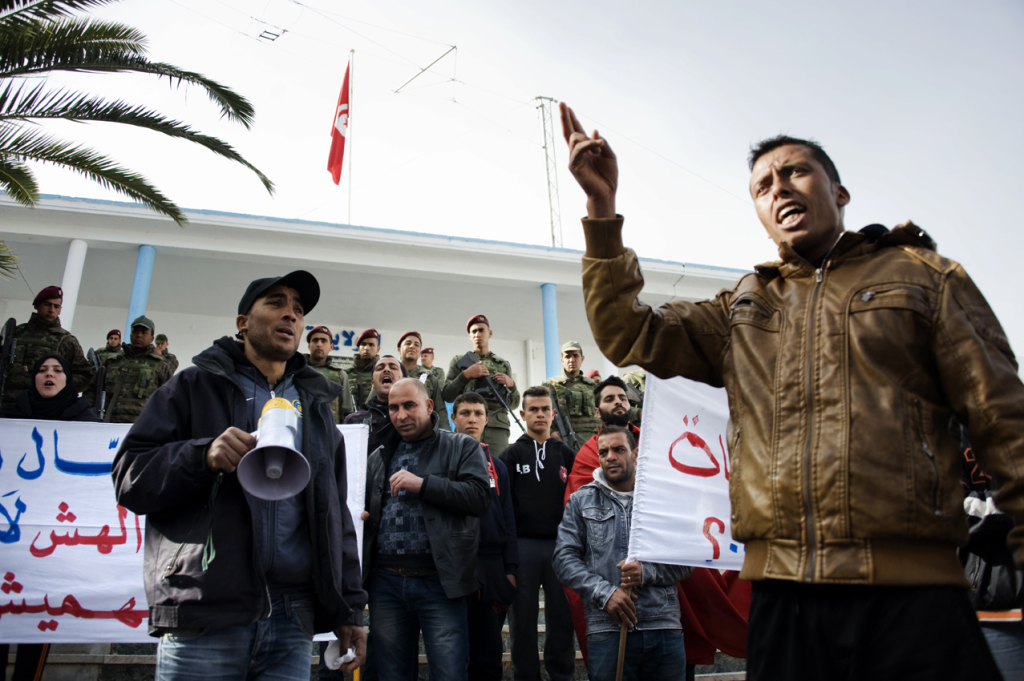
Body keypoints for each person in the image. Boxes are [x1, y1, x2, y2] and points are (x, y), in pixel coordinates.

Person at [561, 102, 1023, 678]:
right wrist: (601, 209)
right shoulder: (746, 306)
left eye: (795, 172)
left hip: (913, 586)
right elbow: (627, 331)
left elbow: (1004, 421)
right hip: (783, 594)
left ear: (840, 190)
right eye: (762, 185)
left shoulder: (923, 278)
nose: (779, 187)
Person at [111, 270, 367, 680]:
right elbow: (129, 478)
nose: (290, 315)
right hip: (206, 612)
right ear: (242, 322)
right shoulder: (191, 388)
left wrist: (350, 607)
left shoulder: (318, 411)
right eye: (276, 303)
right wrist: (202, 456)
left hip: (292, 619)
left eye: (298, 310)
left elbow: (336, 516)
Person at [362, 378, 490, 681]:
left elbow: (480, 498)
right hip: (386, 585)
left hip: (440, 582)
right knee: (391, 674)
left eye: (409, 405)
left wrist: (423, 485)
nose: (401, 415)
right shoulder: (378, 455)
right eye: (394, 408)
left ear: (429, 405)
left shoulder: (462, 446)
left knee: (448, 673)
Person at [554, 426, 692, 681]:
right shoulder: (581, 501)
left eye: (618, 449)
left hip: (662, 624)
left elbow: (687, 560)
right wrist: (605, 594)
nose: (610, 457)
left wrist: (647, 572)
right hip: (608, 627)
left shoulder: (662, 499)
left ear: (635, 453)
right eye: (603, 452)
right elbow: (563, 560)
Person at [0, 354, 99, 680]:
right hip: (8, 543)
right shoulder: (9, 416)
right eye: (42, 369)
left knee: (35, 627)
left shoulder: (85, 423)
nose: (49, 375)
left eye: (57, 370)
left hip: (50, 546)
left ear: (69, 379)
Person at [500, 386, 576, 681]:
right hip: (523, 547)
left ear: (553, 414)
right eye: (534, 409)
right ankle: (526, 675)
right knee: (522, 621)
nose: (540, 414)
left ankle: (562, 674)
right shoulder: (510, 454)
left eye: (545, 409)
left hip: (561, 548)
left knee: (561, 618)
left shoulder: (567, 454)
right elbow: (504, 508)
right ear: (523, 414)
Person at [451, 391, 518, 681]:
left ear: (487, 419)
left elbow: (508, 519)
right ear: (453, 418)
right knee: (453, 654)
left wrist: (511, 569)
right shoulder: (442, 456)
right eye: (465, 413)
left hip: (492, 567)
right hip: (455, 564)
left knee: (489, 655)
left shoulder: (498, 465)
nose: (472, 419)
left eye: (478, 413)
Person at [442, 314, 520, 456]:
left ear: (489, 333)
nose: (478, 334)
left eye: (481, 330)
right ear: (470, 336)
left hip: (497, 426)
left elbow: (513, 404)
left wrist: (511, 385)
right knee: (463, 463)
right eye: (474, 331)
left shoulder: (503, 364)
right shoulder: (459, 361)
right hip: (468, 422)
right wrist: (465, 376)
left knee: (496, 467)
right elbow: (447, 395)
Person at [3, 285, 93, 405]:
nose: (51, 310)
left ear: (60, 309)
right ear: (37, 305)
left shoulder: (66, 340)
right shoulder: (15, 333)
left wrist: (59, 385)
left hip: (45, 406)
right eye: (47, 304)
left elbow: (85, 376)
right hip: (7, 403)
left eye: (56, 306)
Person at [563, 376, 640, 504]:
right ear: (597, 412)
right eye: (609, 399)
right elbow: (576, 504)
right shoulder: (589, 452)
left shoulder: (649, 442)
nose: (618, 402)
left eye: (622, 398)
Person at [94, 315, 174, 423]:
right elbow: (92, 390)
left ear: (151, 338)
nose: (139, 335)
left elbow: (170, 399)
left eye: (144, 332)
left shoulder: (160, 365)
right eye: (135, 331)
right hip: (109, 424)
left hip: (142, 428)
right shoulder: (112, 362)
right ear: (131, 335)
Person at [544, 340, 601, 452]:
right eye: (567, 356)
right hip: (565, 440)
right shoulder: (551, 385)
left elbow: (603, 411)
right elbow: (542, 410)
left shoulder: (592, 385)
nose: (572, 360)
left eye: (575, 355)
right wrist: (550, 432)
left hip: (593, 440)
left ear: (582, 358)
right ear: (562, 360)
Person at [344, 355, 403, 456]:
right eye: (380, 368)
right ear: (372, 383)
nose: (386, 370)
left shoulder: (414, 418)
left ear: (404, 379)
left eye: (393, 367)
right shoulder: (354, 421)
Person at [397, 331, 450, 431]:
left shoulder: (429, 378)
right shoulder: (390, 374)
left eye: (416, 345)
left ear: (419, 351)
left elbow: (439, 410)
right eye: (408, 343)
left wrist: (447, 436)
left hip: (422, 432)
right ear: (399, 350)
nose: (412, 346)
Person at [306, 325, 356, 423]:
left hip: (330, 429)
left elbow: (347, 411)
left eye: (324, 341)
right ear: (309, 345)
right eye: (315, 340)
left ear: (331, 347)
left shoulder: (340, 374)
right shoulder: (298, 370)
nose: (319, 344)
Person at [350, 328, 380, 409]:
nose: (367, 348)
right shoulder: (347, 373)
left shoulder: (381, 374)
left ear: (378, 349)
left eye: (371, 345)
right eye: (363, 344)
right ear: (359, 348)